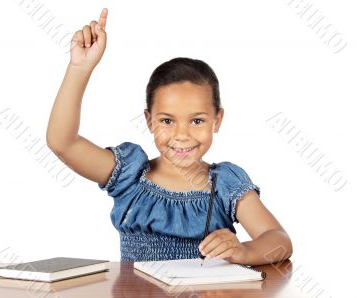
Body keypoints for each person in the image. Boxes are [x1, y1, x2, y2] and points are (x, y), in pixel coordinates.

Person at [46, 8, 293, 265]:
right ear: (149, 121)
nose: (182, 135)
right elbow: (62, 142)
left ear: (217, 120)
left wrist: (245, 251)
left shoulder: (225, 184)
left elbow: (279, 240)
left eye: (197, 121)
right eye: (167, 121)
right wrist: (79, 67)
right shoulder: (129, 176)